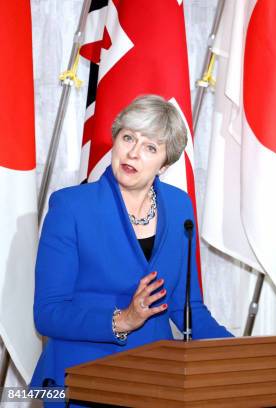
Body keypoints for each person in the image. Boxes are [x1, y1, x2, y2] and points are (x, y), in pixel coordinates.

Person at [31, 95, 232, 395]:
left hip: (155, 380)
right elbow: (48, 313)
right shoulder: (71, 207)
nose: (133, 153)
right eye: (128, 138)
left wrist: (238, 350)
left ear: (164, 164)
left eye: (150, 147)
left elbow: (187, 308)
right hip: (81, 380)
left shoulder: (179, 207)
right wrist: (122, 320)